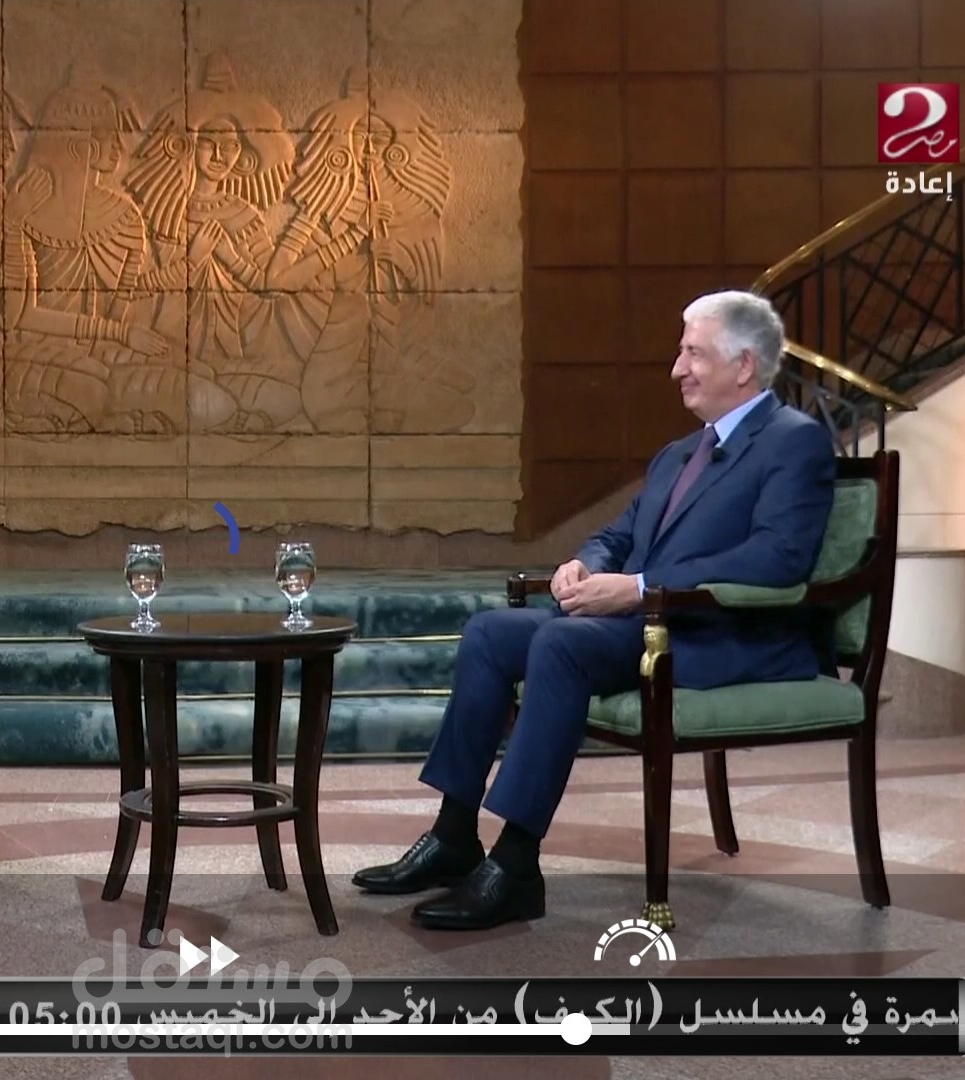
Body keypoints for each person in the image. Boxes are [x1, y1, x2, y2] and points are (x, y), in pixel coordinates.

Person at [352, 290, 838, 930]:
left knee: (561, 644)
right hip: (645, 623)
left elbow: (777, 559)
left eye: (693, 353)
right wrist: (583, 565)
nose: (677, 369)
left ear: (744, 365)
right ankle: (454, 834)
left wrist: (638, 587)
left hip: (724, 634)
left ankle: (516, 866)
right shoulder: (679, 454)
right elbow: (618, 533)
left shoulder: (795, 442)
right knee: (491, 633)